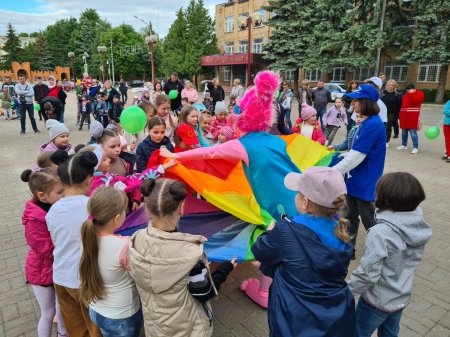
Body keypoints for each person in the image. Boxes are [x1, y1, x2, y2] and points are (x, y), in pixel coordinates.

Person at [252, 167, 355, 337]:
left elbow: (259, 250)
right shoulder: (341, 231)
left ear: (305, 202)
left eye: (297, 193)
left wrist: (270, 232)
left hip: (293, 318)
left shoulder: (286, 231)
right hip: (334, 316)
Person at [129, 178, 236, 337]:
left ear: (148, 208)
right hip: (187, 329)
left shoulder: (136, 239)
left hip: (155, 326)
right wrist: (224, 269)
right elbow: (204, 292)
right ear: (182, 208)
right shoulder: (191, 253)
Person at [348, 172, 431, 337]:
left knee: (357, 332)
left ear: (383, 199)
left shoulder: (380, 233)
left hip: (375, 302)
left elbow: (368, 274)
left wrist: (347, 290)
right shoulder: (419, 226)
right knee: (390, 333)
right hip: (400, 297)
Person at [46, 151, 102, 337]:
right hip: (86, 280)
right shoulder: (92, 207)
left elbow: (56, 242)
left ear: (61, 181)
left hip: (61, 277)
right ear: (89, 179)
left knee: (76, 329)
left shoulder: (52, 210)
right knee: (95, 328)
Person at [332, 84, 386, 259]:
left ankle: (379, 253)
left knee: (370, 221)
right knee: (350, 217)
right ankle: (348, 249)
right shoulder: (367, 122)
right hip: (355, 180)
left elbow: (357, 156)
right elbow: (355, 151)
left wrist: (332, 172)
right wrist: (341, 155)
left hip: (366, 181)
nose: (353, 103)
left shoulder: (372, 124)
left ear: (366, 102)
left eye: (356, 100)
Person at [79, 187, 142, 337]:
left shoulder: (87, 237)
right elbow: (139, 275)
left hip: (97, 310)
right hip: (122, 315)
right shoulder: (124, 245)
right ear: (117, 218)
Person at [20, 168, 67, 337]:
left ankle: (63, 333)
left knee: (62, 307)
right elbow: (45, 248)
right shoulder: (34, 219)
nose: (63, 195)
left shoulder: (55, 206)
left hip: (58, 267)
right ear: (42, 196)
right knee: (48, 313)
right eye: (59, 192)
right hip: (41, 272)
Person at [397, 83, 424, 154]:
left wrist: (412, 94)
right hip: (404, 115)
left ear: (415, 88)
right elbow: (403, 105)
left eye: (411, 88)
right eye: (408, 89)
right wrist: (400, 115)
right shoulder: (406, 95)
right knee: (404, 132)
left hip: (413, 116)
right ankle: (404, 144)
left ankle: (415, 147)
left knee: (413, 132)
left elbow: (415, 102)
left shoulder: (419, 94)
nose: (409, 90)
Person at [381, 80, 402, 145]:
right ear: (387, 86)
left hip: (391, 114)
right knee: (381, 127)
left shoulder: (397, 95)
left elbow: (399, 105)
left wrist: (397, 116)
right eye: (389, 85)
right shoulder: (382, 93)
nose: (390, 86)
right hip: (382, 113)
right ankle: (380, 140)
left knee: (388, 127)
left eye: (392, 85)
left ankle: (386, 141)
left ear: (394, 86)